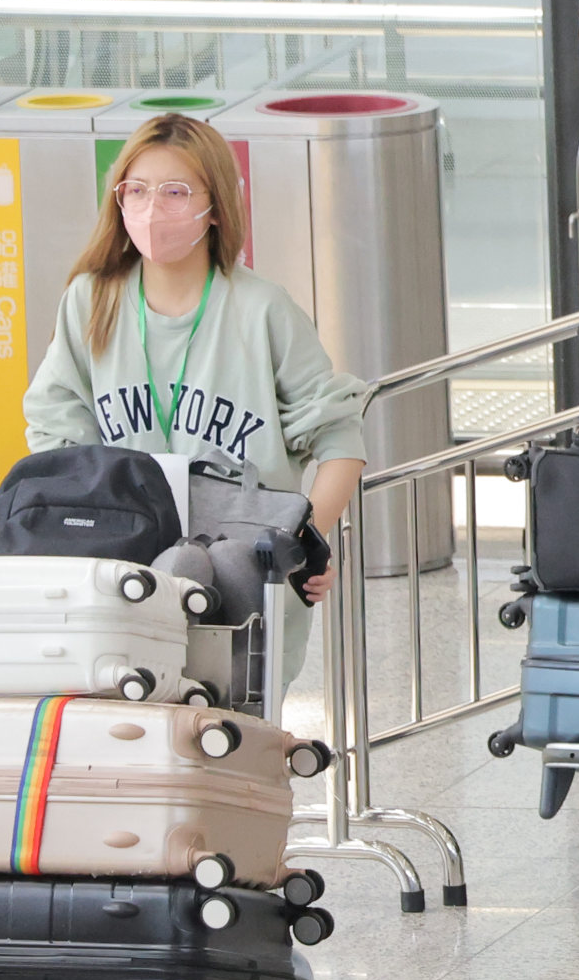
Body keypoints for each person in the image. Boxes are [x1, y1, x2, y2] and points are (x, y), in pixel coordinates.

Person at [20, 110, 349, 621]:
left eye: (175, 192)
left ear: (215, 207)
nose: (152, 208)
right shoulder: (91, 301)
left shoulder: (262, 309)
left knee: (228, 695)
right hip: (121, 567)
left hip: (244, 575)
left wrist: (304, 540)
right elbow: (54, 432)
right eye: (137, 190)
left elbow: (341, 440)